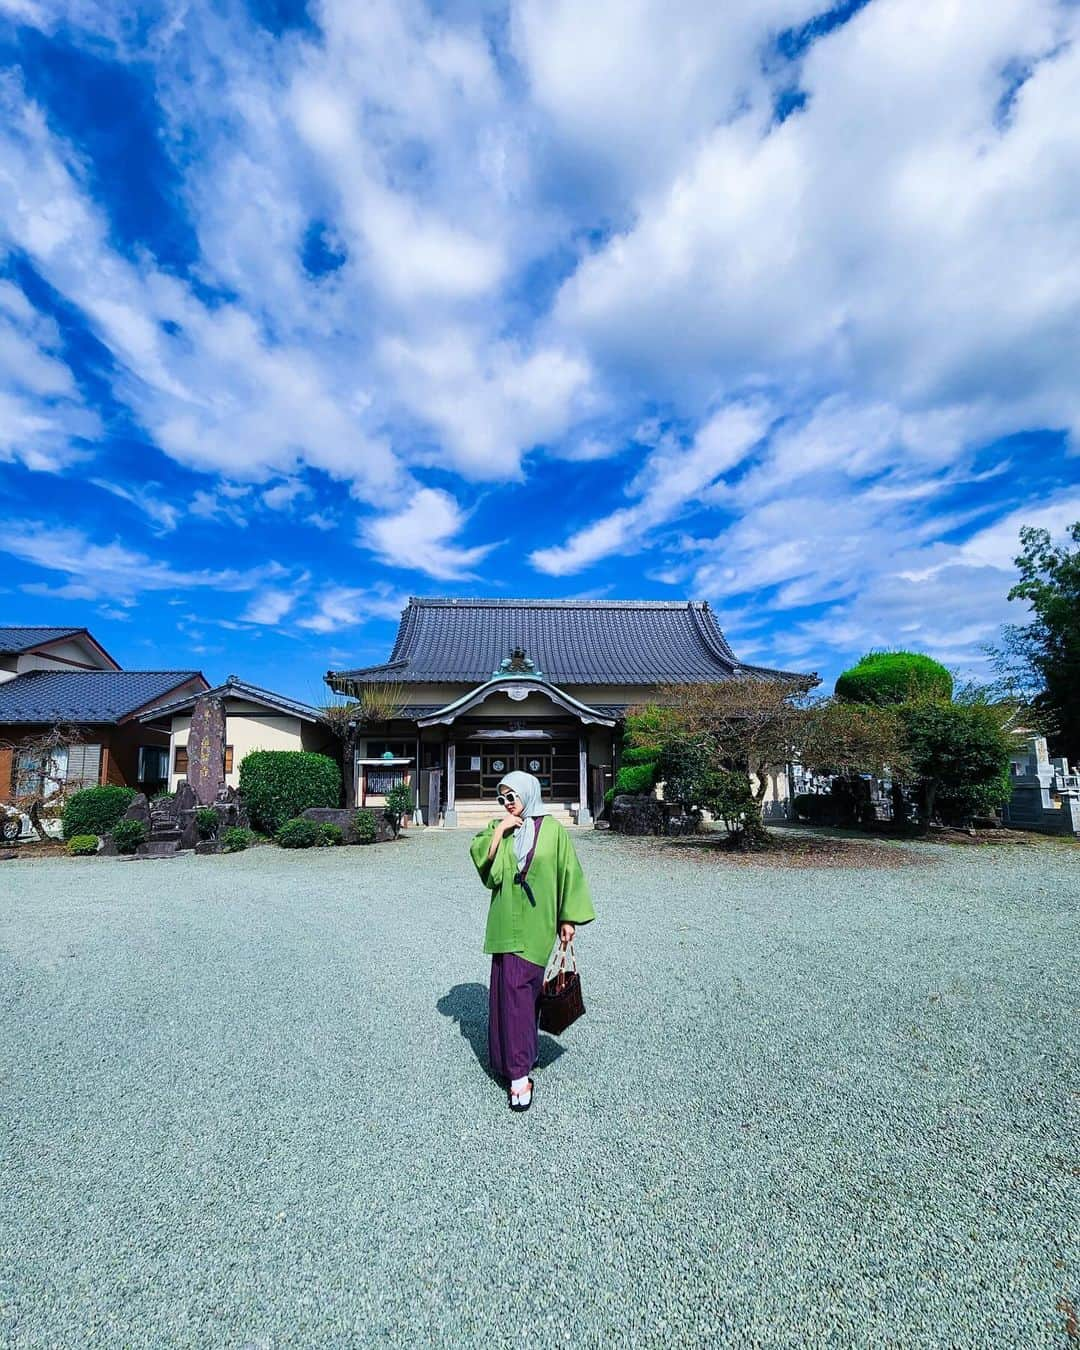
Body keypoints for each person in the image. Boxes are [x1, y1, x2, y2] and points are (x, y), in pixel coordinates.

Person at [469, 769, 596, 1112]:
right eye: (502, 798)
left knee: (526, 995)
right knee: (512, 995)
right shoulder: (502, 827)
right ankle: (518, 1074)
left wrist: (567, 917)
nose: (507, 804)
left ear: (529, 793)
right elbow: (488, 869)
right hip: (506, 922)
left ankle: (520, 1057)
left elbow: (568, 871)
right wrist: (499, 832)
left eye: (512, 796)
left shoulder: (553, 830)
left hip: (538, 923)